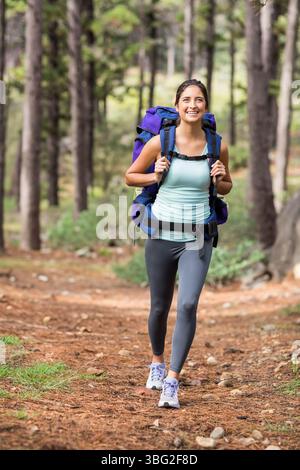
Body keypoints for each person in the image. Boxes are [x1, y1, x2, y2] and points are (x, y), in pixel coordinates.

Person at [125, 79, 233, 409]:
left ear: (206, 105)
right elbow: (131, 175)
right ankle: (157, 362)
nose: (193, 105)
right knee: (159, 306)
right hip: (160, 233)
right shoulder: (161, 141)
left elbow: (227, 186)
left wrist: (220, 178)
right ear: (176, 105)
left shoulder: (217, 144)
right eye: (186, 99)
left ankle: (172, 379)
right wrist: (154, 175)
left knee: (187, 305)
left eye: (199, 99)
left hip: (197, 235)